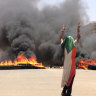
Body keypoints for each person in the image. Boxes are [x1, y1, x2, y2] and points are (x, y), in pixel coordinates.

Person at [60, 23, 80, 96]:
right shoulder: (73, 45)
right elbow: (78, 37)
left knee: (66, 79)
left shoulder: (63, 46)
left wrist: (62, 31)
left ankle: (64, 91)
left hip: (66, 67)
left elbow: (61, 38)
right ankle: (68, 94)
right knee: (70, 81)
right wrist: (78, 29)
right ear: (71, 41)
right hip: (72, 67)